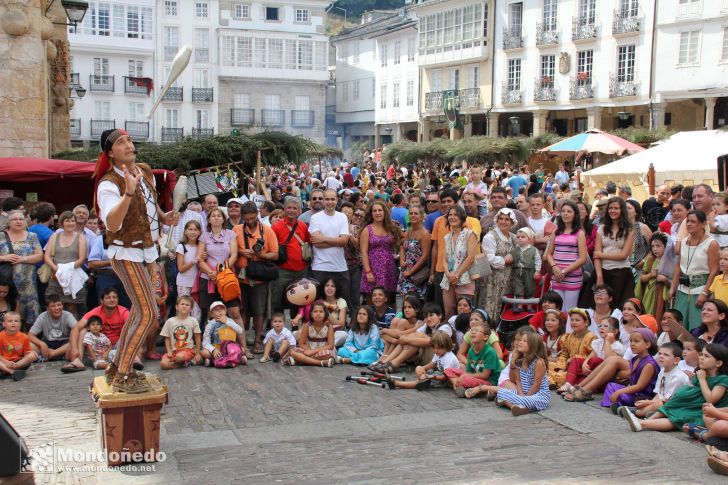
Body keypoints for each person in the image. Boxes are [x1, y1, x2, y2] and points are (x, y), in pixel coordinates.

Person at [94, 128, 178, 392]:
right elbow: (113, 223)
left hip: (149, 251)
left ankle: (115, 366)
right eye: (121, 142)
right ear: (110, 153)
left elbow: (150, 205)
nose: (129, 145)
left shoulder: (144, 170)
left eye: (129, 140)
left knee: (137, 314)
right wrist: (128, 193)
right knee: (149, 314)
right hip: (125, 251)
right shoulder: (108, 184)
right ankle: (123, 373)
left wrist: (165, 218)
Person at [622, 343, 728, 436]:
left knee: (677, 418)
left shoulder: (722, 379)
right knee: (668, 407)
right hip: (688, 403)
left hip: (700, 409)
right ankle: (645, 421)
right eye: (701, 355)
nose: (701, 358)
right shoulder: (702, 373)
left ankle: (642, 423)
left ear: (718, 363)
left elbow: (711, 399)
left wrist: (702, 380)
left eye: (706, 356)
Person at [234, 201, 279, 354]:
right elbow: (231, 250)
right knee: (243, 310)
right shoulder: (237, 230)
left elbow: (275, 254)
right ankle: (244, 340)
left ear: (257, 214)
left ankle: (258, 340)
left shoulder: (267, 231)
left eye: (252, 218)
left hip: (259, 277)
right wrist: (241, 252)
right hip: (241, 276)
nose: (250, 222)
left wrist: (261, 255)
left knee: (259, 311)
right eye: (246, 219)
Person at [670, 210, 720, 330]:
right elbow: (678, 266)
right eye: (687, 221)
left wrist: (704, 293)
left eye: (693, 222)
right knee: (678, 327)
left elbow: (715, 271)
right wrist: (673, 287)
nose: (689, 224)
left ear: (703, 224)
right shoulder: (683, 242)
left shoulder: (711, 243)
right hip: (682, 290)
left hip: (699, 291)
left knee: (697, 327)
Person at [483, 331, 550, 415]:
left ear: (533, 346)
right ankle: (520, 406)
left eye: (525, 341)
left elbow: (536, 386)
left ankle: (514, 404)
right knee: (501, 392)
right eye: (520, 340)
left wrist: (524, 398)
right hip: (523, 393)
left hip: (538, 396)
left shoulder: (539, 362)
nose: (520, 342)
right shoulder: (519, 360)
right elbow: (518, 381)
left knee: (511, 397)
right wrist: (521, 395)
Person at [197, 207, 241, 333]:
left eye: (219, 216)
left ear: (223, 219)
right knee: (211, 313)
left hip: (226, 278)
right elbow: (200, 258)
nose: (216, 217)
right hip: (209, 278)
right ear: (209, 220)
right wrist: (210, 272)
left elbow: (234, 256)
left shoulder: (231, 234)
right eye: (213, 216)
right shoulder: (204, 236)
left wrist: (220, 271)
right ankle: (211, 346)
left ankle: (241, 346)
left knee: (234, 312)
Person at [0, 209, 43, 326]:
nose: (18, 221)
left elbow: (40, 256)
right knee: (10, 308)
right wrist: (4, 258)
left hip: (28, 283)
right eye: (14, 219)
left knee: (29, 313)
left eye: (21, 219)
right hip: (7, 283)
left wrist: (22, 259)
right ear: (8, 222)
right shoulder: (1, 236)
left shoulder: (32, 236)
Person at [309, 189, 350, 311]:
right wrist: (337, 241)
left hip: (340, 267)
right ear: (323, 200)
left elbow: (344, 241)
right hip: (320, 267)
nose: (330, 202)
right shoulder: (315, 218)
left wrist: (323, 238)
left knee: (342, 304)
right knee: (320, 305)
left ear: (337, 200)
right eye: (327, 199)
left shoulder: (342, 217)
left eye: (332, 199)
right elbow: (317, 244)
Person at [626, 342, 690, 418]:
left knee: (657, 404)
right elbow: (658, 394)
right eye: (660, 354)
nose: (661, 356)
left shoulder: (677, 377)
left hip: (678, 406)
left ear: (676, 360)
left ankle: (637, 412)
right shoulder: (662, 371)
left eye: (666, 355)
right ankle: (646, 412)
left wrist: (648, 402)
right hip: (664, 402)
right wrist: (650, 402)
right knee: (652, 402)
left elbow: (667, 400)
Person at [44, 211, 87, 318]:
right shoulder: (54, 236)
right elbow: (47, 256)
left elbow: (82, 259)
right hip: (55, 277)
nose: (70, 223)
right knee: (54, 306)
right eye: (67, 221)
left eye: (73, 221)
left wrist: (65, 270)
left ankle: (73, 332)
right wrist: (57, 270)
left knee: (72, 307)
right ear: (62, 223)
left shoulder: (80, 237)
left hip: (73, 277)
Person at [545, 200, 587, 312]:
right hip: (556, 276)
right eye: (563, 211)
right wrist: (555, 268)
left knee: (569, 309)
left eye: (569, 211)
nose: (565, 214)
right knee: (556, 309)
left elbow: (582, 258)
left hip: (572, 277)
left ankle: (568, 330)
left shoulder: (579, 233)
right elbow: (549, 254)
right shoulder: (556, 231)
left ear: (575, 214)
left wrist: (564, 271)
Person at [444, 319, 502, 398]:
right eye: (472, 330)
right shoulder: (471, 350)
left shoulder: (490, 352)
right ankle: (457, 386)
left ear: (485, 337)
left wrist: (465, 376)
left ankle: (462, 387)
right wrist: (464, 375)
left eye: (477, 331)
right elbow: (468, 371)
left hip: (489, 381)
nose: (473, 332)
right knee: (448, 370)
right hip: (476, 377)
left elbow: (485, 375)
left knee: (466, 380)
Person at [594, 197, 635, 308]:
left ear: (622, 210)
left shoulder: (629, 230)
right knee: (600, 306)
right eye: (610, 208)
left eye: (616, 208)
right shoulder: (601, 229)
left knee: (620, 307)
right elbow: (595, 256)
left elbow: (623, 255)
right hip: (603, 272)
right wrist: (599, 276)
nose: (612, 211)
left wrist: (601, 255)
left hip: (622, 273)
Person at [271, 197, 310, 314]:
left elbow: (307, 243)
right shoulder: (276, 227)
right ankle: (278, 329)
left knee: (297, 301)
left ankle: (295, 330)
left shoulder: (303, 226)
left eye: (295, 208)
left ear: (299, 211)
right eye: (289, 207)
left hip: (301, 270)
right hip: (282, 271)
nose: (291, 210)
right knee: (278, 301)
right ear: (284, 209)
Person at [387, 331, 460, 390]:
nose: (435, 350)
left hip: (446, 380)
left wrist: (432, 377)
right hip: (439, 373)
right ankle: (423, 381)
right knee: (419, 368)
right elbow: (431, 364)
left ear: (446, 346)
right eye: (434, 348)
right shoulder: (439, 354)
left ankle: (397, 383)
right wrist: (423, 369)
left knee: (419, 381)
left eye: (438, 348)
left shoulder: (449, 358)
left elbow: (445, 376)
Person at [440, 205, 478, 319]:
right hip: (449, 277)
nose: (452, 217)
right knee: (448, 312)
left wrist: (456, 275)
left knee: (464, 313)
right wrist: (448, 274)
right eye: (450, 215)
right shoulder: (447, 237)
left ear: (462, 217)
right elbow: (444, 259)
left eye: (455, 215)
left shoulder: (470, 234)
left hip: (464, 277)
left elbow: (470, 258)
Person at [482, 208, 518, 324]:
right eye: (501, 219)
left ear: (512, 222)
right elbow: (490, 259)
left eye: (507, 219)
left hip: (508, 280)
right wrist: (505, 260)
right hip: (492, 281)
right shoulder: (490, 237)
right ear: (497, 220)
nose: (503, 222)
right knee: (491, 310)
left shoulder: (514, 237)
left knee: (505, 309)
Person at [360, 200, 400, 301]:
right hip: (372, 268)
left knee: (389, 298)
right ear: (371, 214)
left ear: (384, 212)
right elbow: (363, 252)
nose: (377, 213)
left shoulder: (391, 227)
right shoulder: (367, 229)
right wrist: (368, 271)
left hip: (388, 267)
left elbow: (404, 237)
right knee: (372, 299)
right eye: (375, 211)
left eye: (380, 210)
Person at [286, 300, 336, 367]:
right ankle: (321, 363)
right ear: (311, 314)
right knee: (292, 352)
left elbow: (330, 346)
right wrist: (309, 350)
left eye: (321, 311)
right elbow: (301, 343)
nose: (318, 313)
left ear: (325, 313)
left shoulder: (329, 326)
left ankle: (301, 360)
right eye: (315, 311)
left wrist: (313, 352)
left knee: (328, 354)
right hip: (308, 349)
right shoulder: (307, 325)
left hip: (322, 351)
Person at [397, 205, 431, 299]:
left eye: (415, 213)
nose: (413, 215)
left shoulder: (425, 234)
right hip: (405, 270)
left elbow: (425, 256)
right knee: (404, 300)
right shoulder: (409, 231)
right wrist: (401, 260)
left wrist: (411, 271)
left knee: (414, 300)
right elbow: (402, 246)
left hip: (417, 273)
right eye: (411, 213)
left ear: (421, 216)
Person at [160, 296, 202, 370]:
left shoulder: (193, 320)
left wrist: (198, 353)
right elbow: (167, 338)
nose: (184, 306)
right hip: (174, 351)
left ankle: (181, 362)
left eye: (187, 305)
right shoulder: (170, 321)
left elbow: (197, 337)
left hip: (188, 350)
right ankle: (185, 363)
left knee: (180, 357)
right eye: (182, 304)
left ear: (191, 309)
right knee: (163, 364)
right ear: (177, 307)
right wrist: (169, 351)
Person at [200, 301, 246, 366]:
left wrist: (227, 322)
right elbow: (205, 342)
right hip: (218, 348)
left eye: (221, 309)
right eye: (216, 310)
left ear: (225, 311)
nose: (220, 311)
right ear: (212, 314)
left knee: (243, 350)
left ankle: (214, 361)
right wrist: (213, 350)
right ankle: (235, 359)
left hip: (230, 348)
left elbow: (240, 331)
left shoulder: (230, 320)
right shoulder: (210, 324)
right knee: (204, 352)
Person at [635, 232, 668, 316]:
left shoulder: (670, 261)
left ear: (666, 246)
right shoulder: (650, 259)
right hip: (649, 293)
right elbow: (642, 278)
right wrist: (651, 275)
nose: (655, 249)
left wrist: (664, 280)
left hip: (664, 294)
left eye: (658, 246)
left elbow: (674, 281)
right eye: (653, 246)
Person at [175, 220, 202, 322]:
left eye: (195, 229)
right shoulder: (181, 246)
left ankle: (195, 335)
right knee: (183, 311)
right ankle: (181, 335)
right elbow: (181, 269)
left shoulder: (201, 247)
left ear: (199, 232)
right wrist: (194, 261)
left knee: (196, 312)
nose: (193, 232)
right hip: (184, 283)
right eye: (190, 229)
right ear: (185, 231)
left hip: (197, 284)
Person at [511, 227, 541, 312]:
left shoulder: (533, 250)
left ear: (529, 239)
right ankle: (519, 306)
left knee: (530, 289)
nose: (520, 238)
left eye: (523, 237)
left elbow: (538, 260)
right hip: (517, 272)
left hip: (529, 272)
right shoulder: (515, 250)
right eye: (518, 237)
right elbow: (511, 259)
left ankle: (529, 306)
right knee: (518, 288)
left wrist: (537, 271)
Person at [0, 312, 36, 381]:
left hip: (18, 363)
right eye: (10, 321)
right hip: (4, 361)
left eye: (16, 321)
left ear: (20, 324)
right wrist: (7, 362)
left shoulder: (24, 337)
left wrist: (17, 364)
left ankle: (7, 370)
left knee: (32, 355)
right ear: (4, 324)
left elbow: (26, 353)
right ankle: (12, 372)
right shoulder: (0, 336)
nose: (13, 323)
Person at [625, 199, 653, 271]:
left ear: (636, 212)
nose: (625, 210)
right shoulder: (618, 228)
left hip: (640, 268)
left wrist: (643, 262)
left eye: (629, 208)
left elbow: (653, 249)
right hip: (623, 268)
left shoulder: (643, 227)